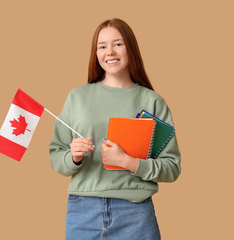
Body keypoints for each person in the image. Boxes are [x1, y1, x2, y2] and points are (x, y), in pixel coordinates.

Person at [49, 18, 181, 240]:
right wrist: (73, 157)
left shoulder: (152, 102)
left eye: (118, 44)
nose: (109, 52)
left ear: (131, 48)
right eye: (102, 46)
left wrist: (128, 162)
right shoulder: (77, 97)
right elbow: (56, 156)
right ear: (96, 53)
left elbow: (172, 167)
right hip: (82, 212)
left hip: (135, 213)